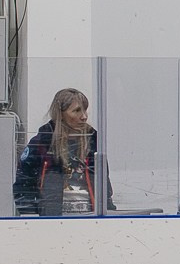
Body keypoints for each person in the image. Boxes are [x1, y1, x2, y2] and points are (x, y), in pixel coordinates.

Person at [15, 87, 112, 215]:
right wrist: (31, 216)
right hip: (53, 218)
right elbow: (23, 184)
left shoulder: (94, 142)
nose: (84, 116)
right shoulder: (41, 143)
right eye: (76, 111)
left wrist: (109, 213)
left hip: (91, 217)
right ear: (60, 114)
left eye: (85, 110)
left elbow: (105, 185)